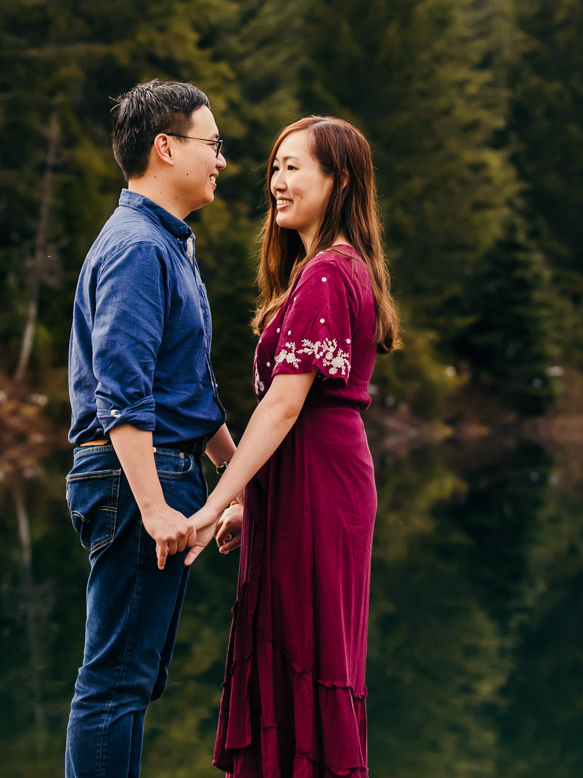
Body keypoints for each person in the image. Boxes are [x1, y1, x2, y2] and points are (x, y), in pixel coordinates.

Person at [184, 115, 396, 778]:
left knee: (311, 651)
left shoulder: (332, 271)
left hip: (321, 483)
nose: (276, 181)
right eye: (274, 166)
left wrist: (215, 500)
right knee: (293, 649)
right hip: (305, 481)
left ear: (339, 182)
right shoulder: (319, 269)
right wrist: (258, 503)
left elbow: (284, 403)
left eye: (293, 167)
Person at [64, 79, 239, 778]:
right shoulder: (138, 246)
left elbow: (189, 392)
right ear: (166, 148)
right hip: (135, 474)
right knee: (112, 683)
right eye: (213, 144)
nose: (222, 160)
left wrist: (234, 479)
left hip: (160, 468)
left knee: (133, 683)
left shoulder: (167, 243)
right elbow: (123, 391)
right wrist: (156, 504)